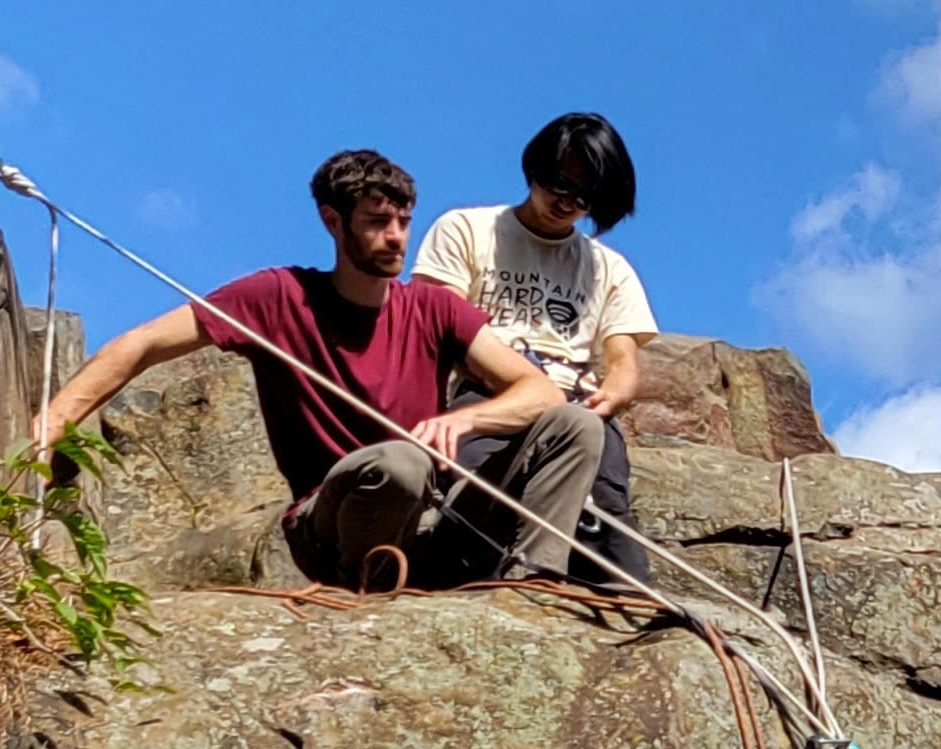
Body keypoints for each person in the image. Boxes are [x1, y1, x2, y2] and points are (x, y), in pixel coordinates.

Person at [31, 149, 606, 590]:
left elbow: (538, 392)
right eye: (378, 221)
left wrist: (471, 421)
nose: (397, 237)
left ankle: (533, 583)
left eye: (404, 220)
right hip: (331, 525)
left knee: (578, 425)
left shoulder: (432, 309)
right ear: (334, 221)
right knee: (400, 462)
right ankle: (370, 585)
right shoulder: (279, 297)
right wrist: (56, 420)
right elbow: (143, 344)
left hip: (432, 523)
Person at [415, 113, 658, 589]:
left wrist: (612, 396)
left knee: (606, 502)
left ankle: (620, 598)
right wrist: (519, 381)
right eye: (558, 183)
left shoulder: (609, 268)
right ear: (534, 168)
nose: (566, 202)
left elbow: (623, 360)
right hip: (488, 392)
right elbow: (433, 321)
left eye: (584, 197)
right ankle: (487, 566)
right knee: (482, 490)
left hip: (577, 403)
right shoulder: (467, 229)